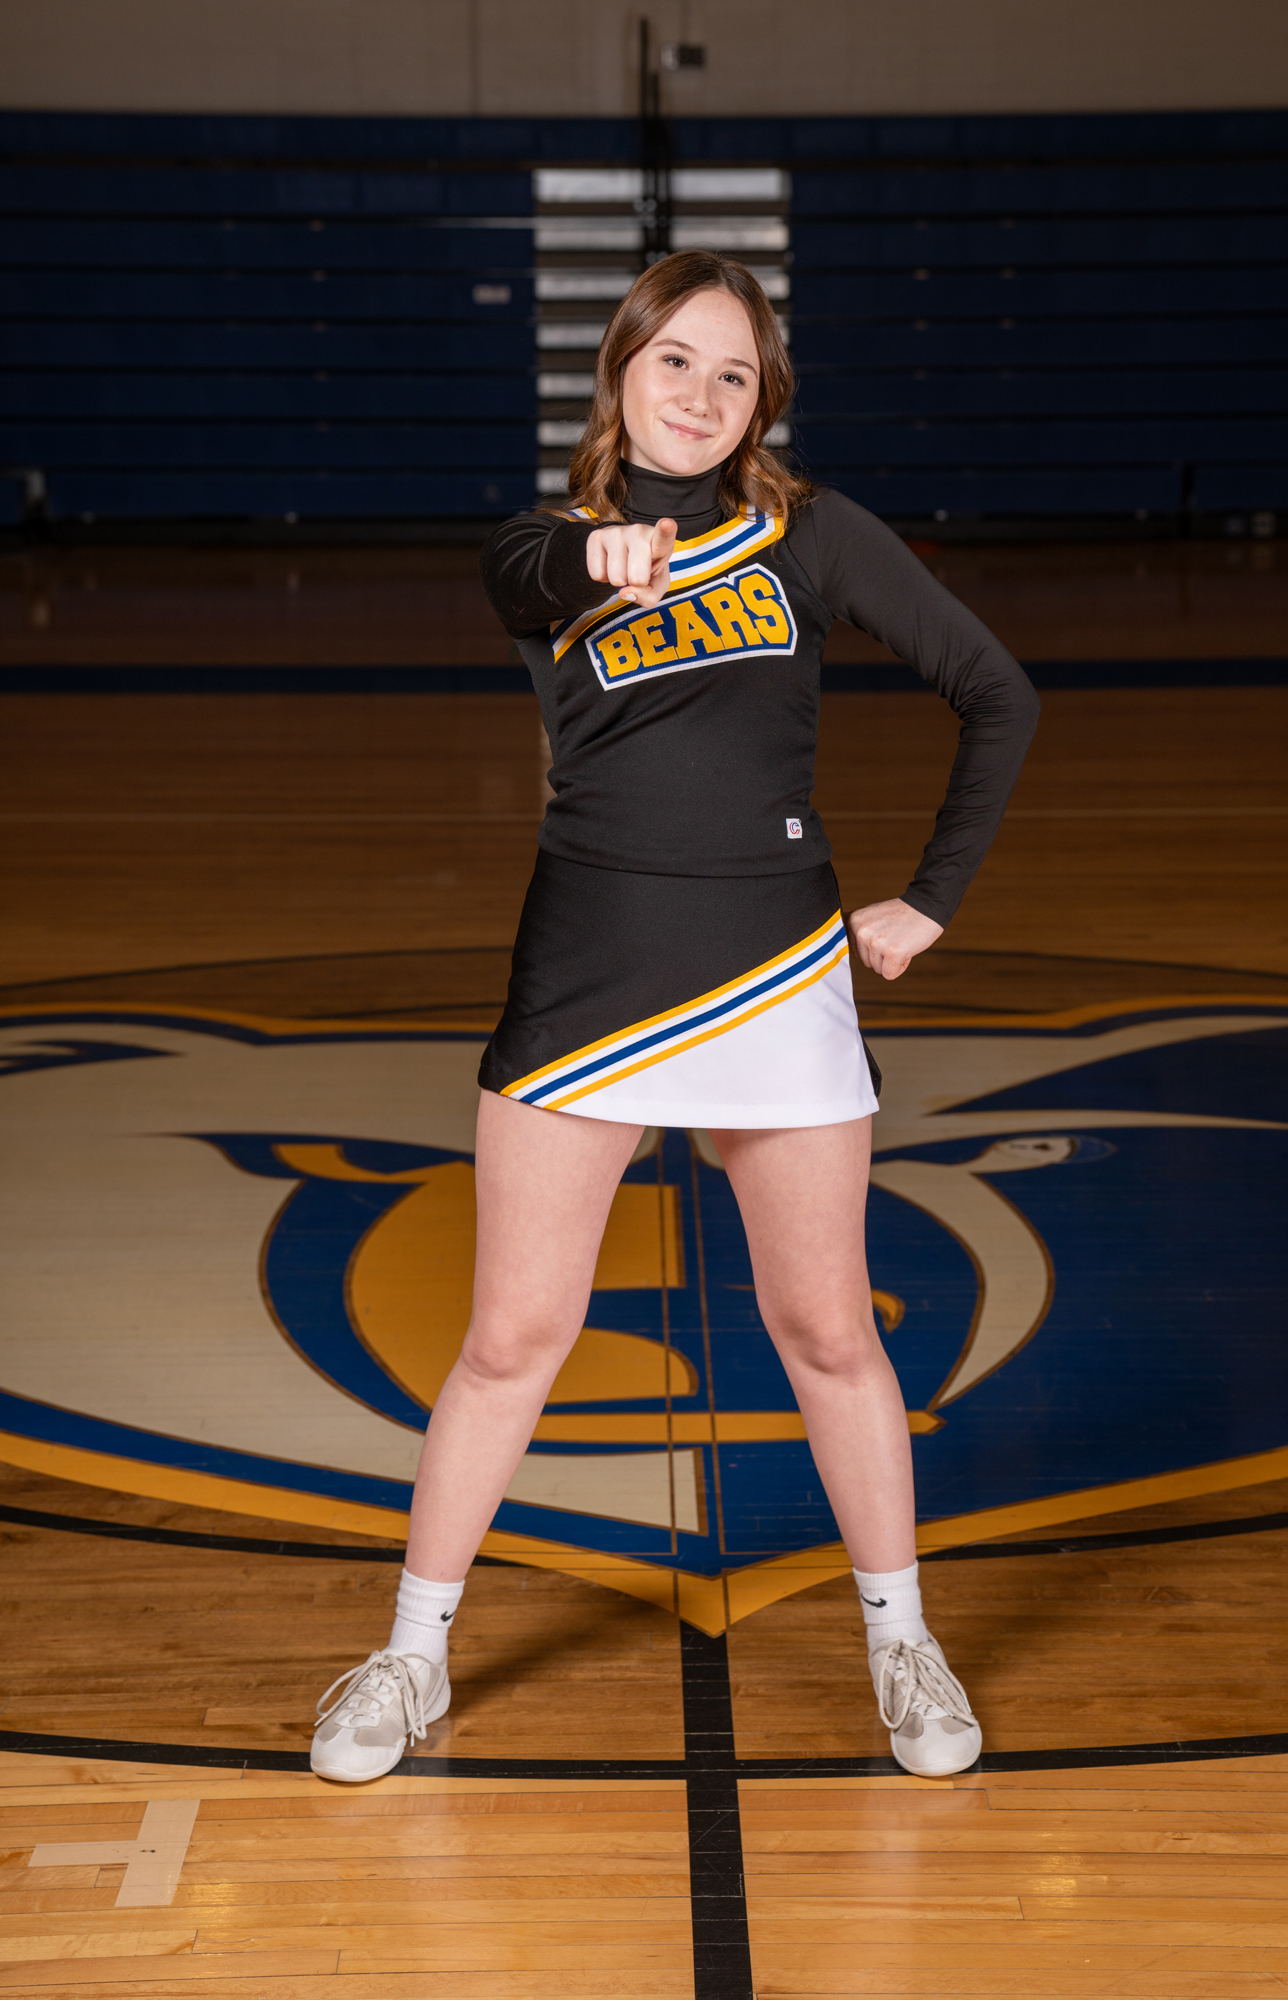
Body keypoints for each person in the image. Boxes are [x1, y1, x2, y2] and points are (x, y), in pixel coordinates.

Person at [311, 250, 1039, 1784]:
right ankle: (409, 1654)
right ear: (619, 371)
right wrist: (607, 556)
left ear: (762, 399)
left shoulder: (811, 532)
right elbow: (523, 576)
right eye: (673, 361)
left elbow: (997, 691)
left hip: (774, 967)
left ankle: (901, 1642)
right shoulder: (544, 546)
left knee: (825, 1330)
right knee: (512, 1337)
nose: (700, 394)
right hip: (589, 978)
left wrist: (929, 900)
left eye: (733, 372)